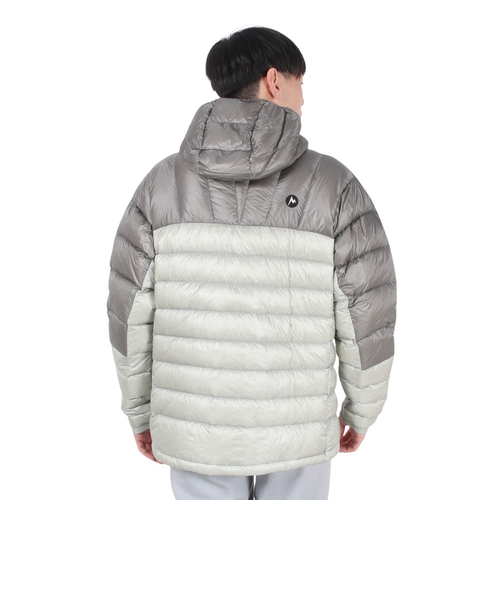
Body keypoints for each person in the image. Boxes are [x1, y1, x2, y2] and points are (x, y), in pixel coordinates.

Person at [106, 26, 397, 501]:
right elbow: (367, 311)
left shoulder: (161, 185)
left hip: (196, 428)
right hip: (298, 430)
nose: (304, 97)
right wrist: (362, 408)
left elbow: (129, 312)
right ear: (274, 80)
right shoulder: (333, 185)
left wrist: (139, 410)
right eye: (301, 82)